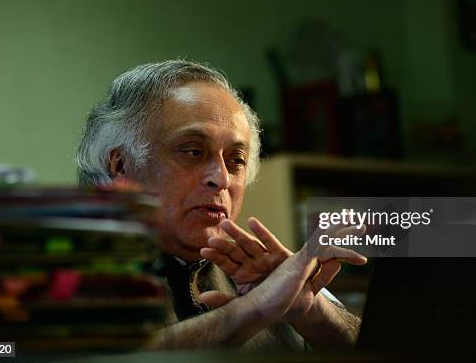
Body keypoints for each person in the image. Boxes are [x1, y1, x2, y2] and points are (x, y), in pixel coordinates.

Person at [75, 60, 367, 349]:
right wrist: (255, 309)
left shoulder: (263, 272)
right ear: (121, 166)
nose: (222, 179)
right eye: (193, 151)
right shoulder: (61, 272)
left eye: (236, 160)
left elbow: (375, 349)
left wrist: (312, 310)